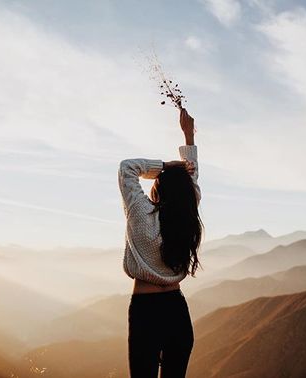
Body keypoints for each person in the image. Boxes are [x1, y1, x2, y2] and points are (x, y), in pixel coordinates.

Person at [117, 107, 204, 377]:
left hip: (146, 312)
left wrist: (166, 166)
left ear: (158, 187)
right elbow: (190, 183)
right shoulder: (186, 217)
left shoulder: (141, 216)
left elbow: (127, 168)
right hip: (177, 310)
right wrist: (188, 138)